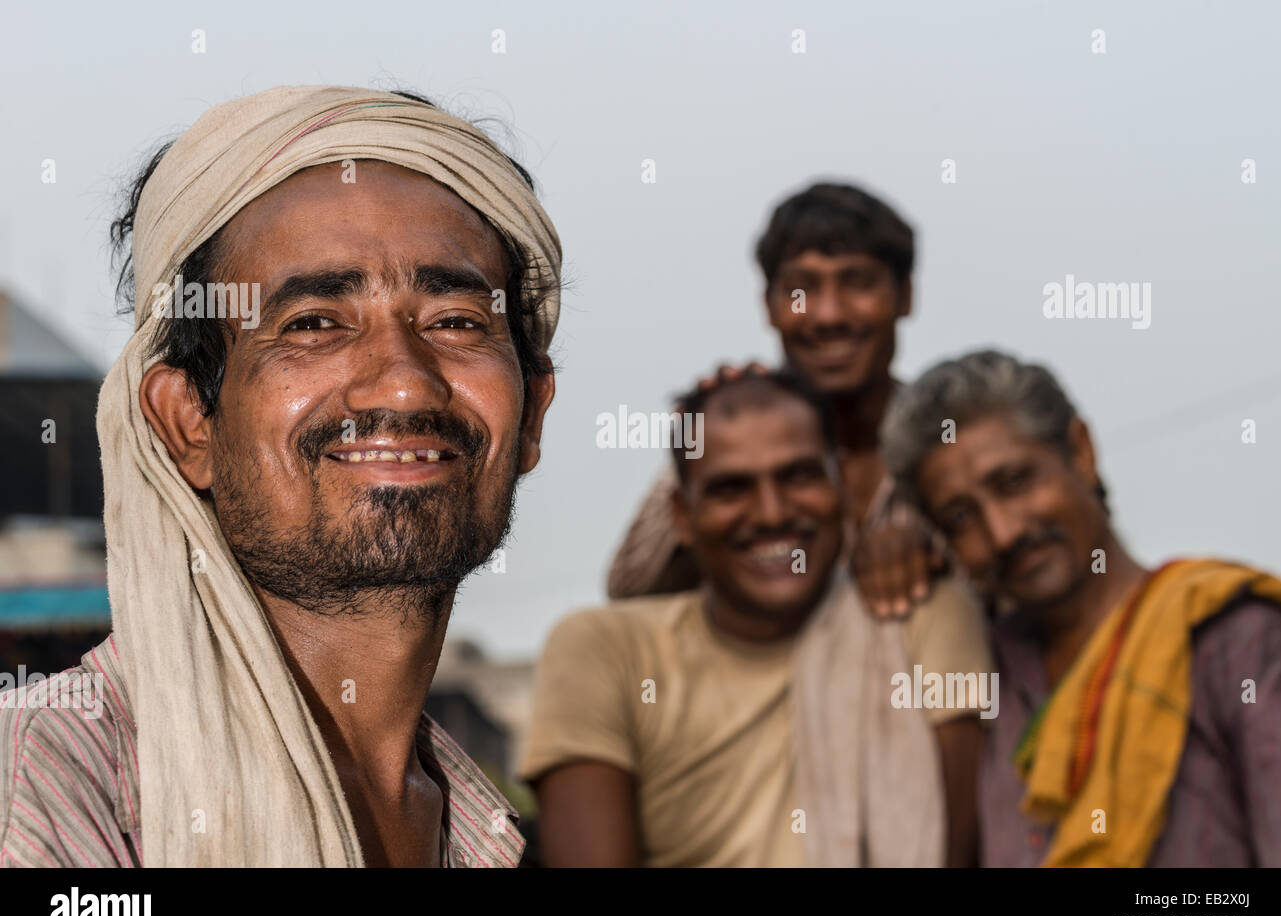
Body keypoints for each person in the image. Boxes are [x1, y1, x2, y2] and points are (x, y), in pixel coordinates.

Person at [0, 86, 562, 867]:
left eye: (456, 322)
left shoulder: (483, 836)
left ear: (531, 411)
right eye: (314, 324)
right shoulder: (47, 782)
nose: (403, 382)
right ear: (189, 420)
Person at [603, 183, 991, 853]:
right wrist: (715, 437)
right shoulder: (731, 441)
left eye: (858, 283)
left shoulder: (950, 452)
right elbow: (630, 587)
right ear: (771, 307)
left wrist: (932, 545)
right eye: (802, 288)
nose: (829, 314)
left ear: (905, 296)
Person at [521, 369, 990, 866]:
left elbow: (952, 851)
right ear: (682, 515)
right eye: (731, 489)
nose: (771, 513)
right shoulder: (602, 649)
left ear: (845, 490)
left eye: (799, 475)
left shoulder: (922, 617)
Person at [881, 349, 1281, 866]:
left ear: (1080, 452)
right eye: (962, 517)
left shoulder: (1237, 642)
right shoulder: (984, 678)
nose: (1003, 532)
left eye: (1014, 482)